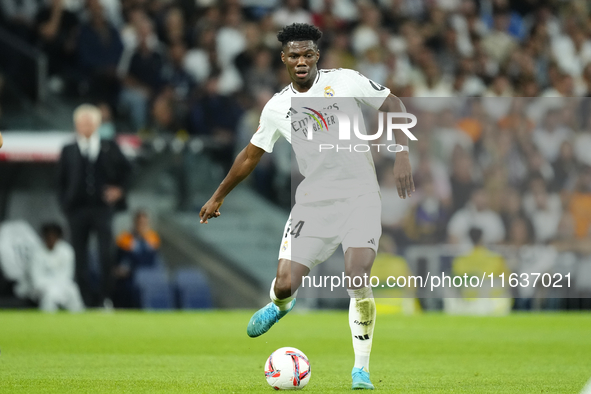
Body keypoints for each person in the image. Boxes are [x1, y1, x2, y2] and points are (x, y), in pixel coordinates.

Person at [199, 23, 414, 390]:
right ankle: (281, 305)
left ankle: (360, 370)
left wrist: (402, 153)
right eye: (294, 55)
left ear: (318, 55)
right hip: (313, 206)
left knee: (357, 275)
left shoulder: (345, 81)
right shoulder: (278, 107)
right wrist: (219, 195)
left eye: (308, 54)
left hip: (359, 198)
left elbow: (393, 102)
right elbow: (251, 155)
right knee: (284, 284)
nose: (301, 60)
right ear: (284, 58)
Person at [57, 104, 131, 308]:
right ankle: (83, 299)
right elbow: (60, 181)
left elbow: (128, 170)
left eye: (90, 123)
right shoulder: (68, 149)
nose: (86, 127)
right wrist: (65, 205)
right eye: (82, 123)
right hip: (77, 209)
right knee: (79, 257)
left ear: (98, 125)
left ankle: (104, 298)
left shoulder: (109, 146)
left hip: (102, 208)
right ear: (76, 125)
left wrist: (120, 190)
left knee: (105, 254)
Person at [31, 223, 84, 313]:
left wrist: (59, 288)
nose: (51, 239)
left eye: (53, 236)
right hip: (43, 288)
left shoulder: (66, 251)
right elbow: (36, 279)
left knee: (73, 290)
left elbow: (67, 276)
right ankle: (48, 320)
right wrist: (52, 288)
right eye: (48, 236)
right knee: (50, 295)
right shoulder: (36, 253)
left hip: (62, 286)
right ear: (44, 237)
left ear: (59, 237)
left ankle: (78, 317)